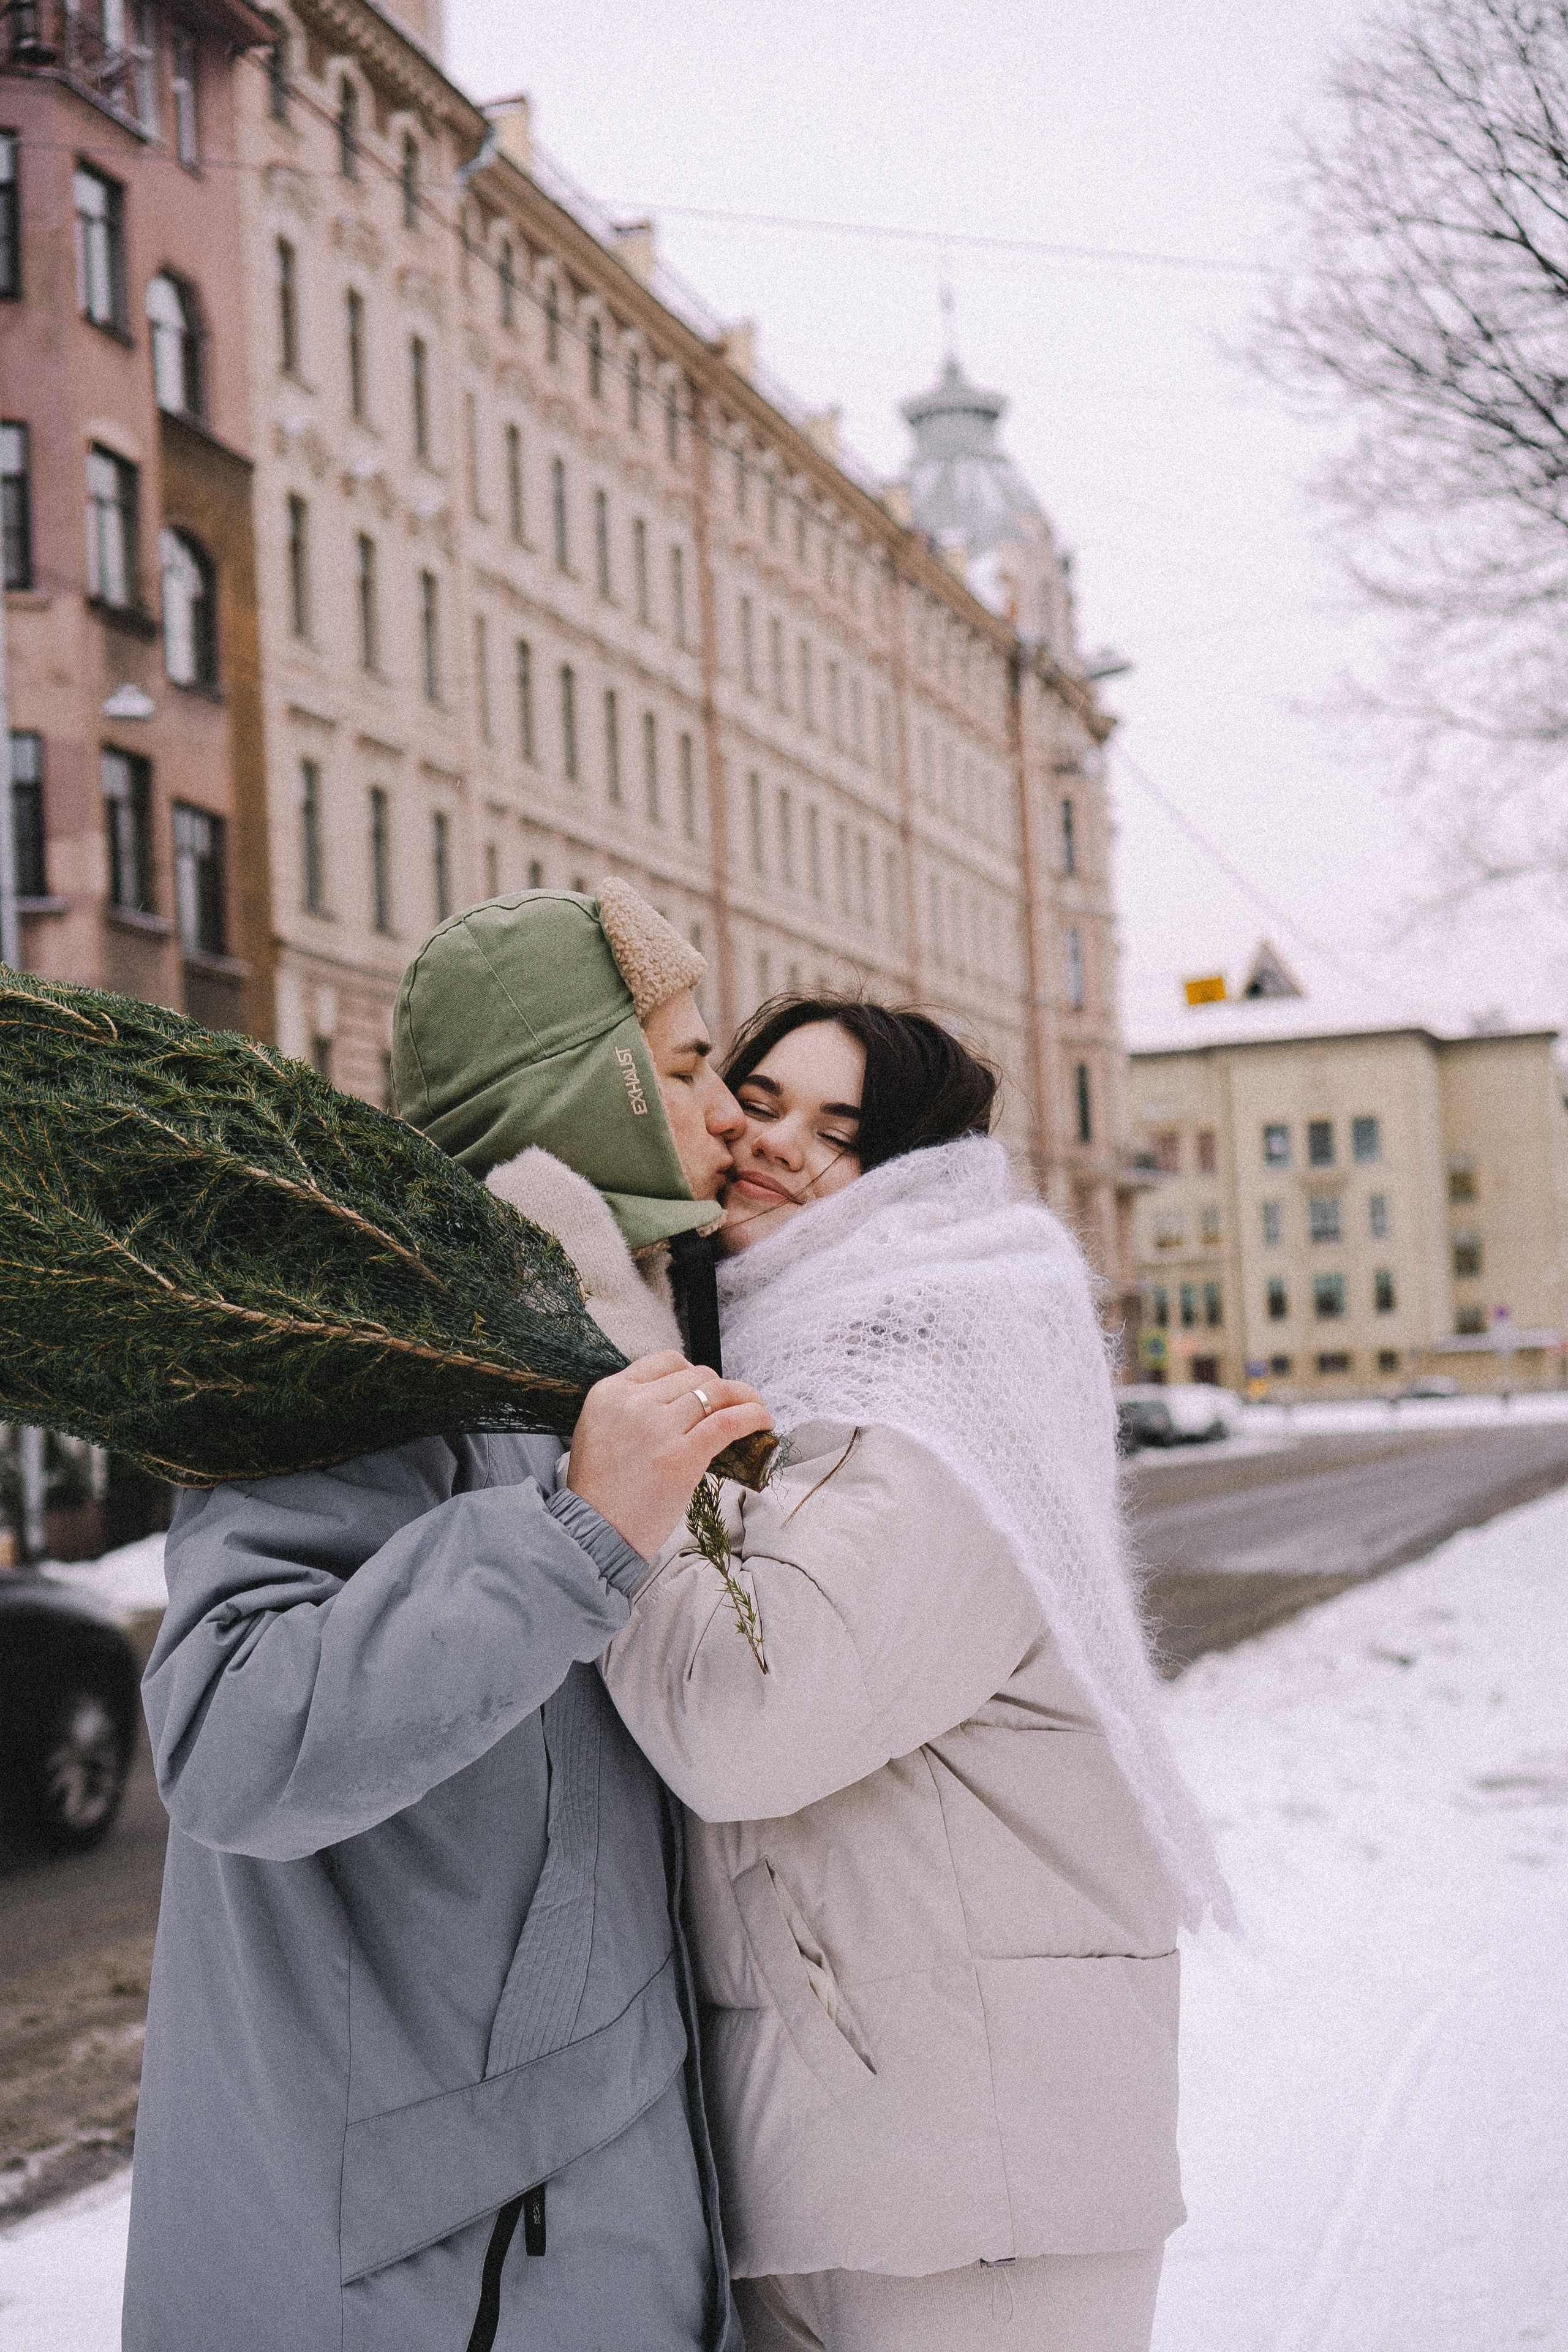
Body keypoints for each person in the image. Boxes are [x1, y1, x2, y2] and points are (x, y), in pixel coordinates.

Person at [124, 884, 771, 2352]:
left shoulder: (611, 1352)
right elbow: (231, 1737)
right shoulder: (366, 1349)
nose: (727, 1112)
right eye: (678, 1069)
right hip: (428, 2269)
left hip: (587, 2227)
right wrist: (569, 1537)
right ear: (576, 1092)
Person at [601, 997, 1232, 2352]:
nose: (772, 1145)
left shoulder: (937, 1369)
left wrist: (608, 1511)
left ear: (908, 1181)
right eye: (757, 1100)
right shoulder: (778, 1364)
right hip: (867, 2145)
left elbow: (747, 1723)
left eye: (840, 1133)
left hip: (973, 2177)